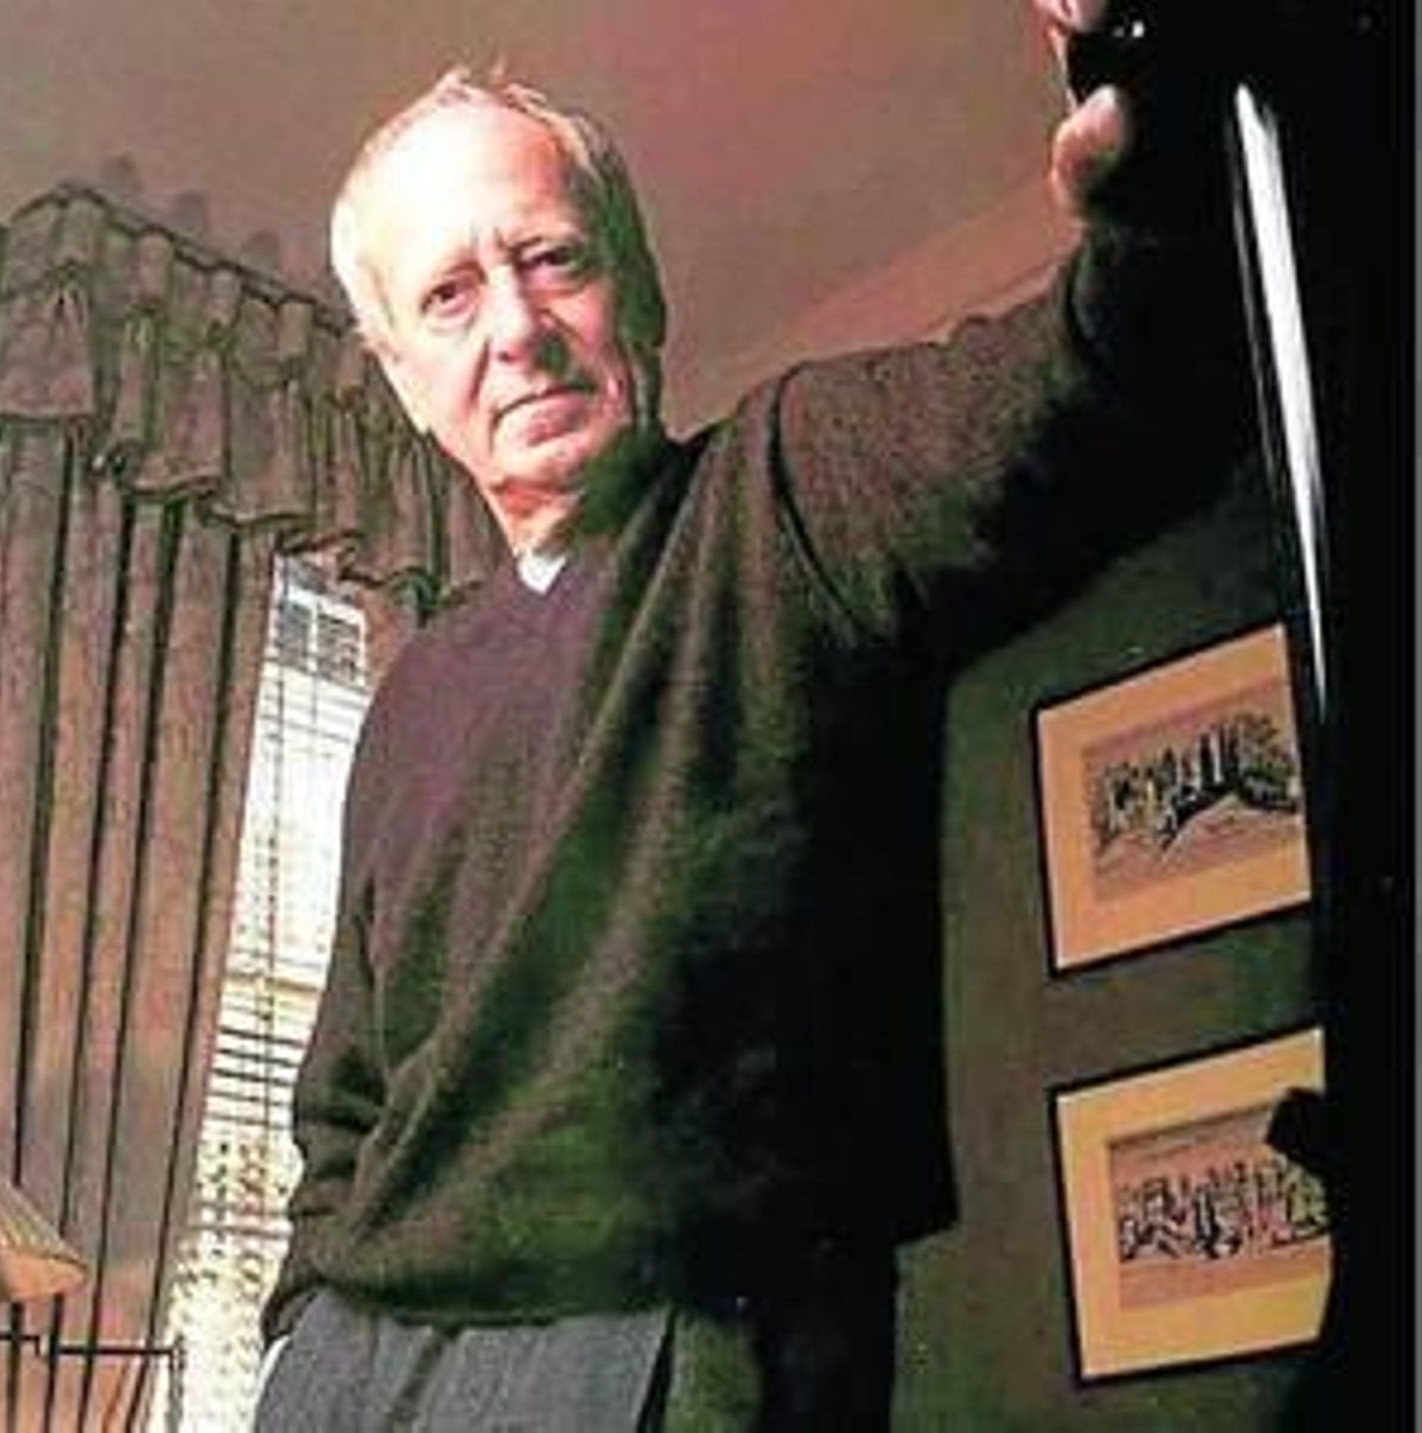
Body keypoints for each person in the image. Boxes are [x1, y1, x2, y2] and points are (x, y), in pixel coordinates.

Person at [255, 2, 1248, 1426]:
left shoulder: (789, 492)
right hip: (365, 1367)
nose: (519, 329)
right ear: (408, 384)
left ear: (641, 296)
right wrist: (299, 1349)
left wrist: (1162, 142)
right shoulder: (412, 691)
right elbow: (345, 1100)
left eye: (553, 259)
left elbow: (1105, 383)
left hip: (676, 1341)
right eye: (452, 297)